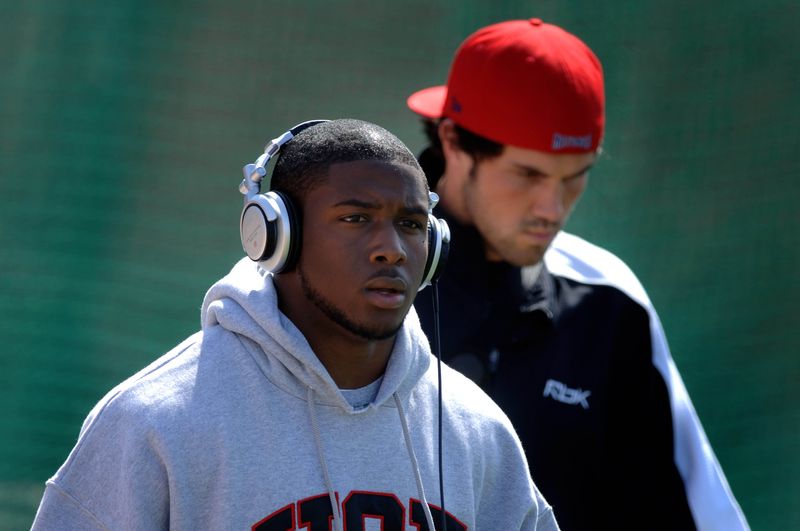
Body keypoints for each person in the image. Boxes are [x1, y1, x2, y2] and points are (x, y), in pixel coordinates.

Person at [30, 118, 559, 530]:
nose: (391, 250)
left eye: (412, 225)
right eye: (355, 219)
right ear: (275, 236)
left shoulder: (477, 432)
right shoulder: (155, 422)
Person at [407, 19, 749, 531]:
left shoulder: (609, 301)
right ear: (454, 142)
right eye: (529, 174)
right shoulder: (349, 280)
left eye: (576, 176)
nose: (553, 208)